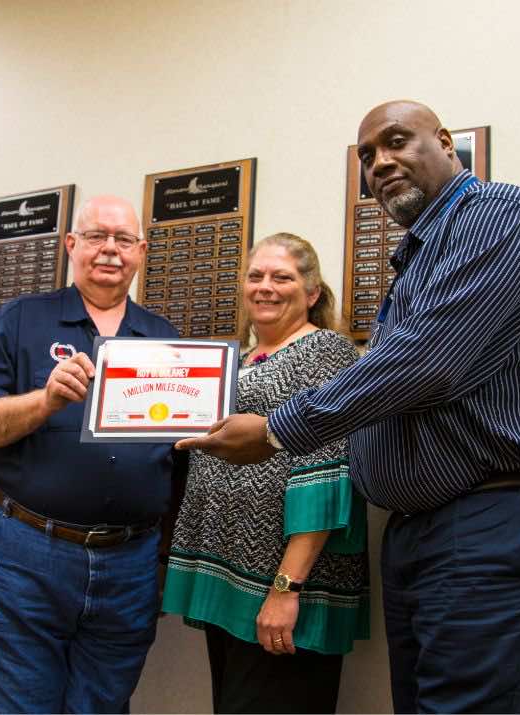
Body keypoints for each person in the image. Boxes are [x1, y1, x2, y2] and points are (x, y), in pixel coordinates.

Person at [178, 100, 520, 714]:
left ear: (447, 143)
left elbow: (426, 362)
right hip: (428, 525)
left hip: (496, 515)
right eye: (368, 156)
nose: (380, 162)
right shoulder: (424, 253)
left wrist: (275, 431)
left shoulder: (500, 215)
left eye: (396, 142)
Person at [0, 195, 185, 714]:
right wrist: (46, 399)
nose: (110, 250)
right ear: (71, 245)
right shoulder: (18, 321)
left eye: (123, 240)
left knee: (102, 705)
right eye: (97, 237)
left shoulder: (164, 339)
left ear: (142, 252)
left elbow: (177, 455)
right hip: (22, 551)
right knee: (9, 705)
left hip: (130, 563)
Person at [162, 233, 368, 714]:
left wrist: (285, 589)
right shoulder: (239, 357)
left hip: (281, 588)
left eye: (282, 277)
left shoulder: (325, 353)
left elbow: (329, 476)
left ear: (312, 293)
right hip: (231, 581)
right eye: (256, 276)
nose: (265, 287)